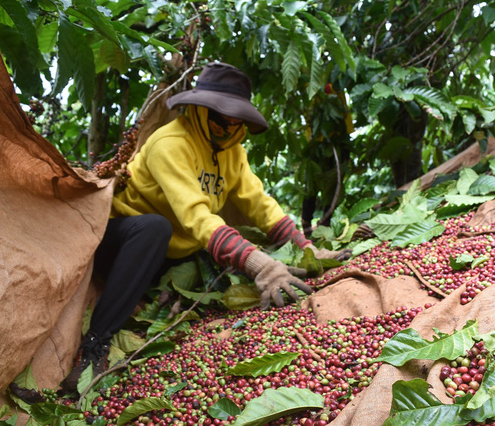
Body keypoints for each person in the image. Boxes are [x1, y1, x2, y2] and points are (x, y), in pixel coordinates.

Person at [60, 62, 351, 392]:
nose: (225, 129)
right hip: (124, 243)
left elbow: (259, 203)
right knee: (156, 228)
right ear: (199, 110)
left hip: (171, 255)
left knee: (219, 270)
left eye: (234, 122)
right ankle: (94, 347)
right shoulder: (169, 144)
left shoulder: (233, 152)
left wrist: (306, 248)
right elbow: (196, 216)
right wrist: (262, 266)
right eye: (218, 119)